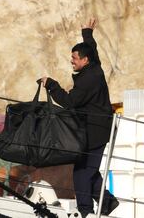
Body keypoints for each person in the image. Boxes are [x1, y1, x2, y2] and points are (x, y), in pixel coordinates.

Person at [40, 18, 118, 218]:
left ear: (84, 60)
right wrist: (87, 32)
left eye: (74, 57)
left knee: (82, 172)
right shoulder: (95, 67)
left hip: (95, 132)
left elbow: (69, 102)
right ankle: (107, 202)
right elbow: (92, 49)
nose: (72, 60)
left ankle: (86, 212)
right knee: (88, 169)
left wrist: (51, 85)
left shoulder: (88, 79)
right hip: (95, 129)